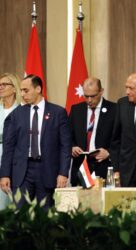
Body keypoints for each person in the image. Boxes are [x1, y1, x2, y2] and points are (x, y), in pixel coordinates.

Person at [0, 75, 71, 209]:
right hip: (22, 172)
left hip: (47, 171)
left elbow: (65, 146)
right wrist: (4, 174)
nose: (22, 94)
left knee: (45, 217)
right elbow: (8, 147)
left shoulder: (58, 112)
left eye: (26, 90)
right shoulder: (16, 114)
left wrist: (63, 172)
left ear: (38, 89)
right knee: (20, 216)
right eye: (21, 90)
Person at [68, 77, 116, 185]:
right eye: (86, 96)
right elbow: (67, 135)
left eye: (93, 96)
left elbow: (120, 139)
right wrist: (72, 147)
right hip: (81, 166)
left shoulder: (114, 110)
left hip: (103, 166)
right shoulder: (76, 110)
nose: (89, 100)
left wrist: (109, 153)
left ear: (101, 91)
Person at [0, 73, 21, 210]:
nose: (0, 87)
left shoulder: (21, 111)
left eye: (4, 84)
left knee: (12, 204)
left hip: (14, 160)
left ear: (14, 88)